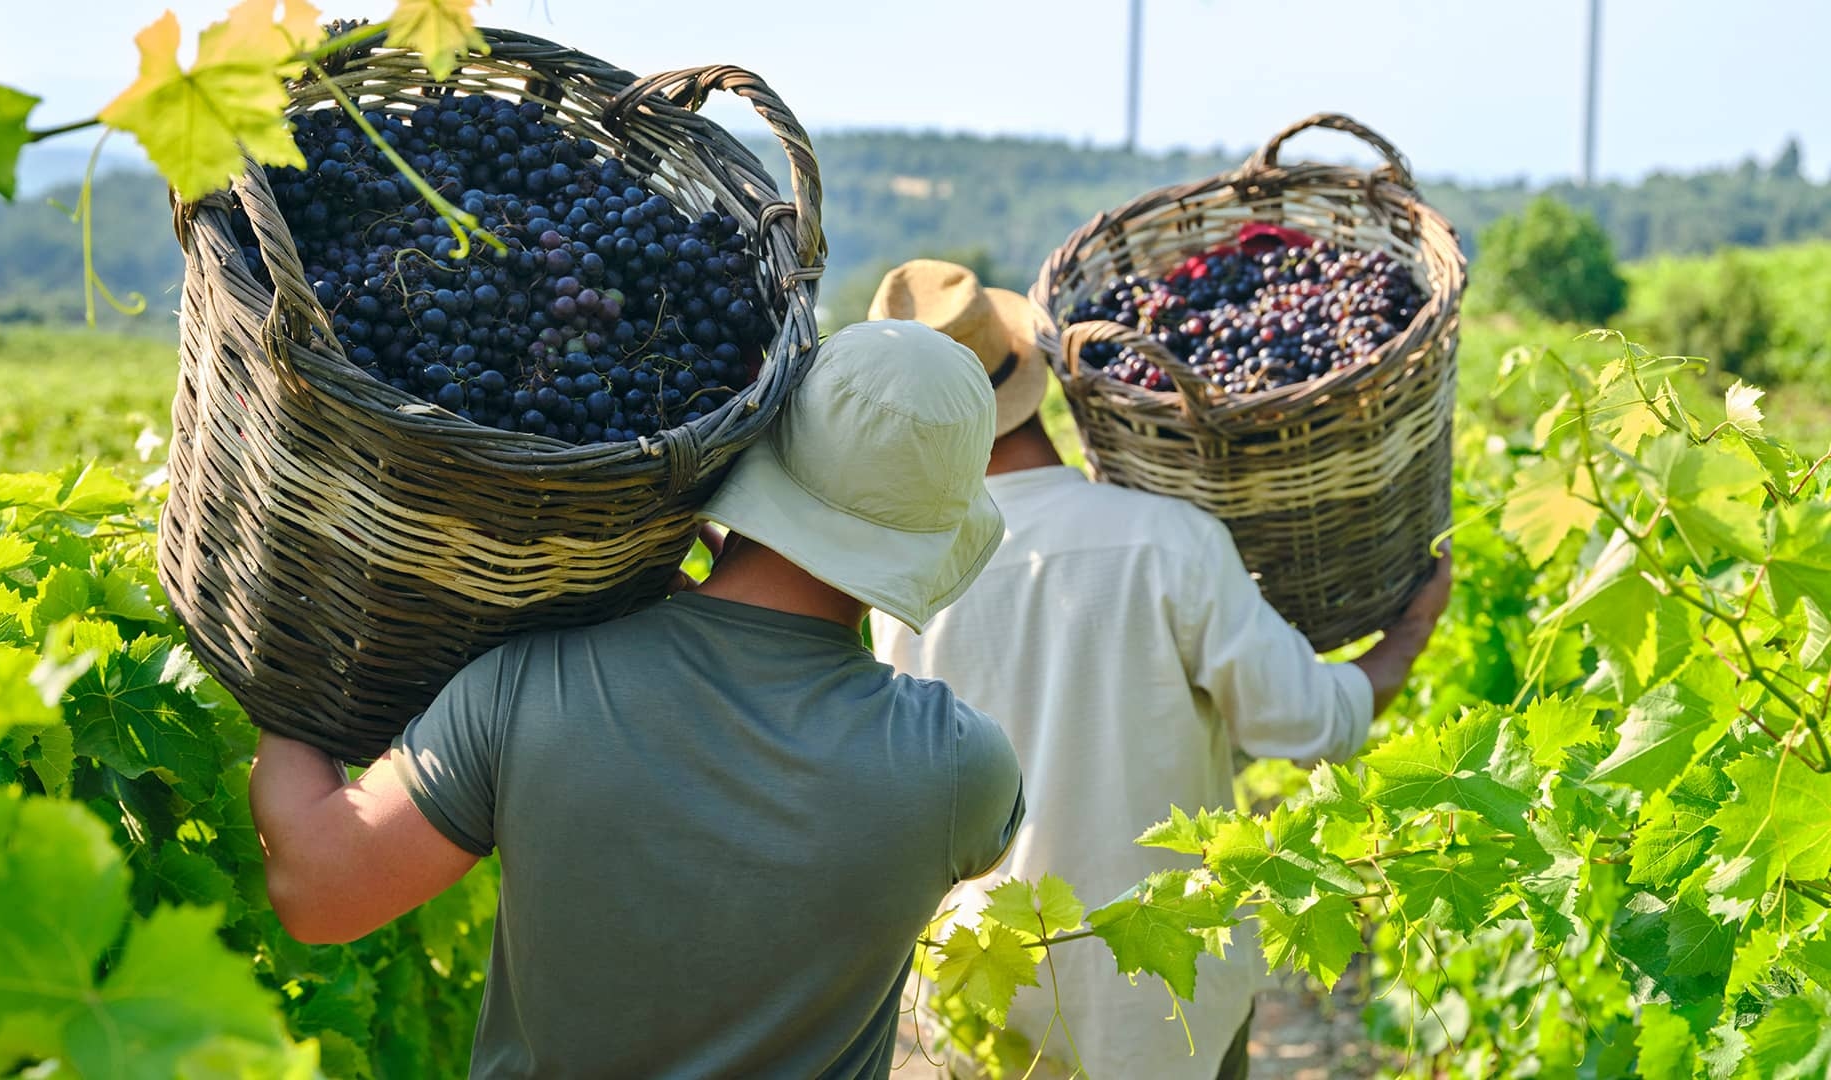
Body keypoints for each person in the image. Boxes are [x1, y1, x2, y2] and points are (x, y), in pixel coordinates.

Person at [249, 320, 1027, 1079]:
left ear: (752, 445)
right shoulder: (961, 768)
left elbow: (320, 894)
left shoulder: (531, 686)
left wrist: (289, 658)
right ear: (932, 538)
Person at [866, 260, 1453, 1080]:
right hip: (1171, 1001)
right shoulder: (1165, 539)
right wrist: (1413, 628)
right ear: (1033, 380)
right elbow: (1307, 721)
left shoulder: (902, 587)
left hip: (987, 991)